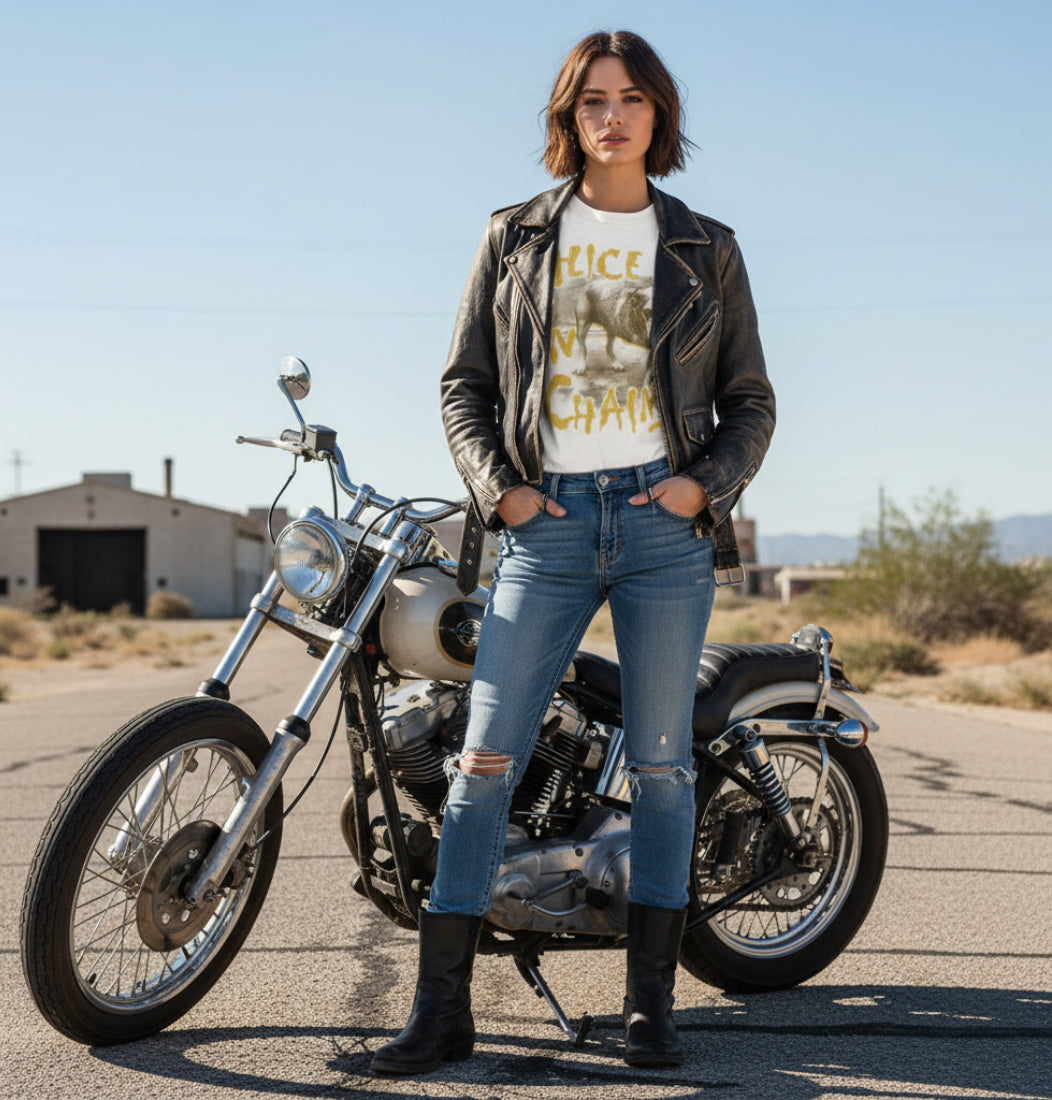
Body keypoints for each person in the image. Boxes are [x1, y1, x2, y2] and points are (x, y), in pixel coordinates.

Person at [371, 30, 775, 1075]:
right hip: (542, 523)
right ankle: (439, 1010)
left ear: (658, 116)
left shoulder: (702, 245)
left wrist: (701, 484)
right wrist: (497, 490)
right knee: (483, 760)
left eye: (632, 98)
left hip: (658, 527)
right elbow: (463, 382)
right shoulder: (512, 236)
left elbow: (748, 400)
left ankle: (649, 1010)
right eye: (592, 99)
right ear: (567, 117)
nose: (613, 116)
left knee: (660, 766)